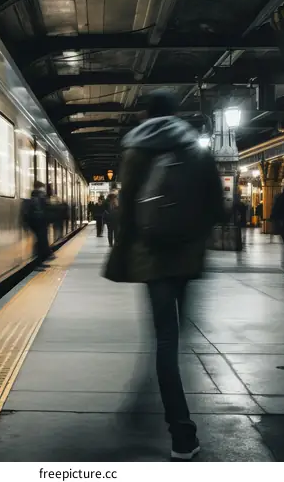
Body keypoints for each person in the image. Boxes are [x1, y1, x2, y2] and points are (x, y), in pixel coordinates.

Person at [104, 89, 223, 461]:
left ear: (146, 114)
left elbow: (126, 210)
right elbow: (217, 204)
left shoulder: (136, 149)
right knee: (177, 333)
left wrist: (122, 254)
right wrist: (194, 237)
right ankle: (177, 427)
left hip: (151, 257)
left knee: (163, 340)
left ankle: (178, 425)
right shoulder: (195, 147)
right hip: (186, 257)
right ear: (176, 113)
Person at [24, 182, 51, 262]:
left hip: (34, 222)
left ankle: (42, 258)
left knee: (39, 241)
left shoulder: (33, 195)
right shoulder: (40, 196)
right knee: (41, 241)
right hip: (39, 222)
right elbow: (44, 208)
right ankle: (41, 259)